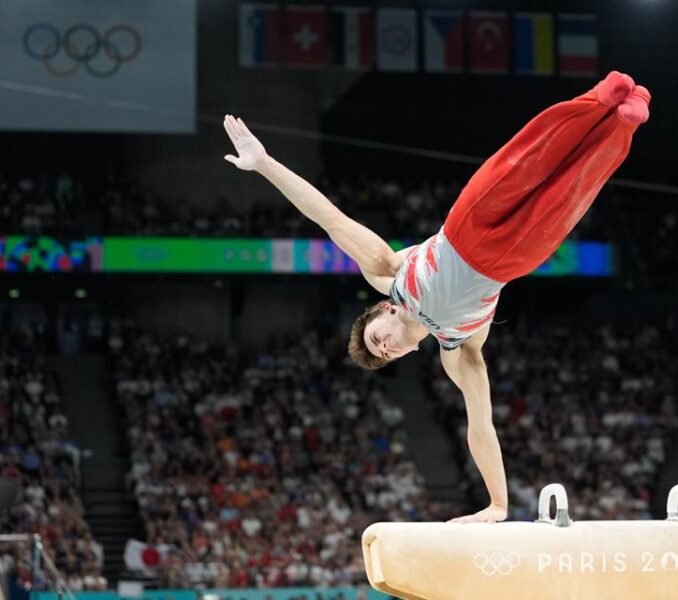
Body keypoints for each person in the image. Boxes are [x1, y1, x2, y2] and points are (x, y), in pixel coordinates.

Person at [222, 71, 650, 523]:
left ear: (382, 311)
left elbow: (328, 217)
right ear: (404, 356)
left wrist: (265, 164)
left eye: (375, 339)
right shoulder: (458, 349)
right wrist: (498, 504)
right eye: (384, 355)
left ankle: (600, 97)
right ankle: (625, 121)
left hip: (467, 226)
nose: (383, 347)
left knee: (528, 159)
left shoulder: (389, 275)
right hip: (512, 260)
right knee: (573, 189)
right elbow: (481, 427)